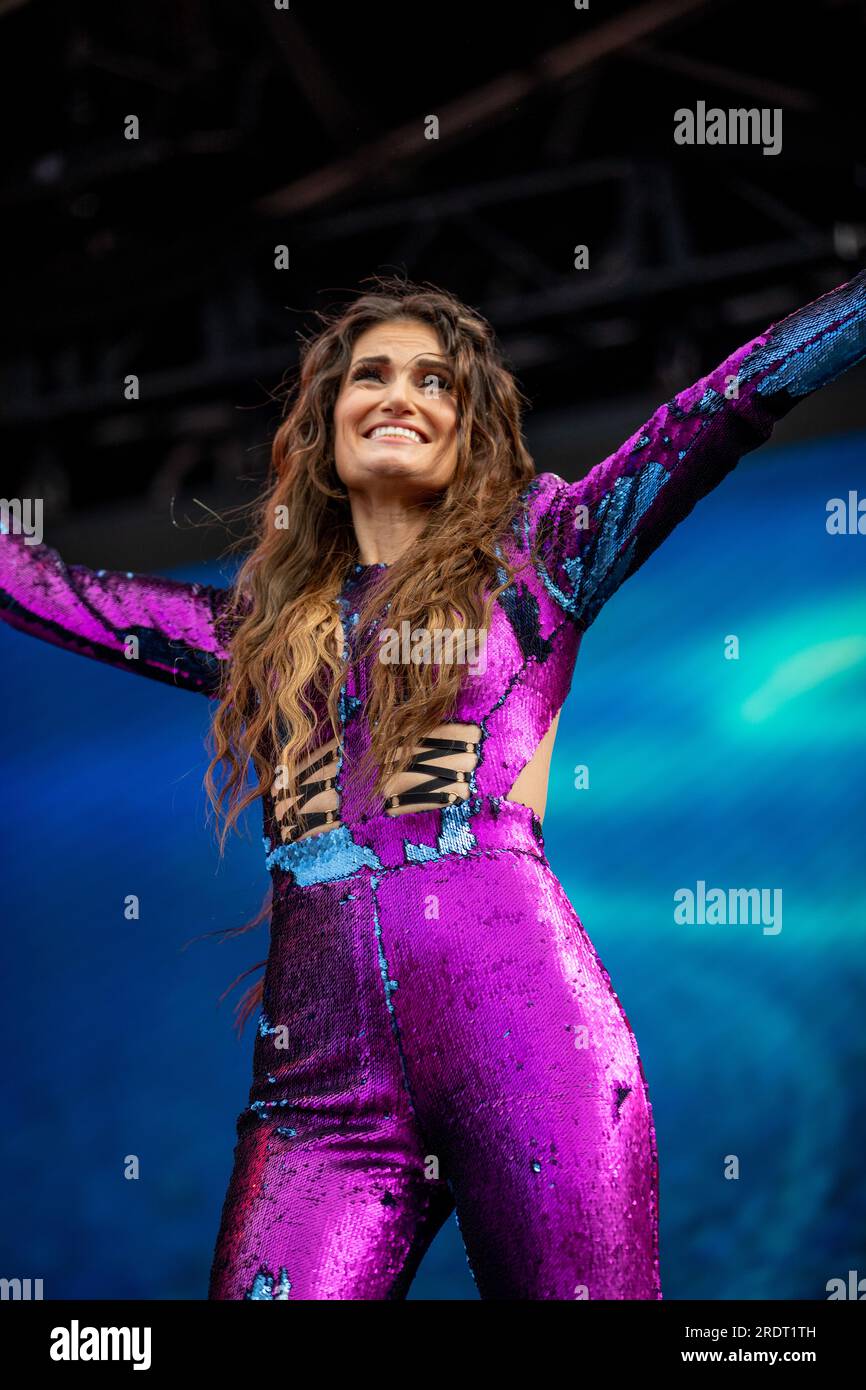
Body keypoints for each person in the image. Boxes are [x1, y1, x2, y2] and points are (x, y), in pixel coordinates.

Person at [2, 270, 864, 1301]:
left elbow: (720, 404)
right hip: (316, 1096)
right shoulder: (254, 636)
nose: (398, 395)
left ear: (466, 431)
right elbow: (50, 591)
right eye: (369, 374)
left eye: (432, 380)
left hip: (530, 1048)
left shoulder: (543, 556)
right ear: (324, 426)